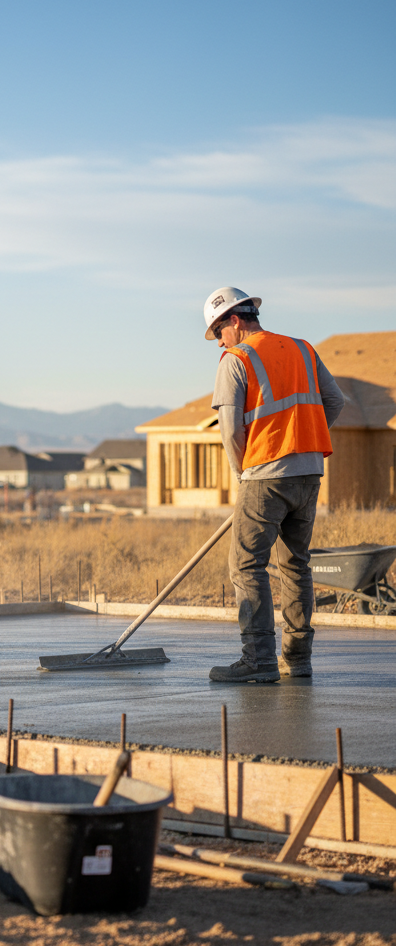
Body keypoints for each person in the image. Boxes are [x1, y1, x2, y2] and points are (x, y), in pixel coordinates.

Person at [205, 288, 344, 683]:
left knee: (247, 565)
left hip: (264, 475)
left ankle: (258, 660)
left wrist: (242, 471)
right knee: (295, 565)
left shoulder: (237, 359)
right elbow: (334, 402)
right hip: (308, 472)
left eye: (218, 332)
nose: (218, 341)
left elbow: (231, 428)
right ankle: (297, 660)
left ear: (234, 320)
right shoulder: (302, 349)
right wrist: (304, 443)